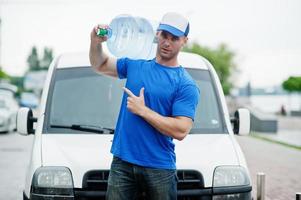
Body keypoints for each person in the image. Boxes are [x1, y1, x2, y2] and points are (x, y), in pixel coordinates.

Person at [89, 12, 200, 200]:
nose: (167, 42)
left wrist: (143, 111)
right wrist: (95, 42)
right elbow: (100, 64)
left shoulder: (185, 84)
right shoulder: (135, 65)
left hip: (159, 168)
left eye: (174, 38)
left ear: (184, 41)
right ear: (157, 34)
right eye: (164, 35)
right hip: (122, 162)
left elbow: (182, 130)